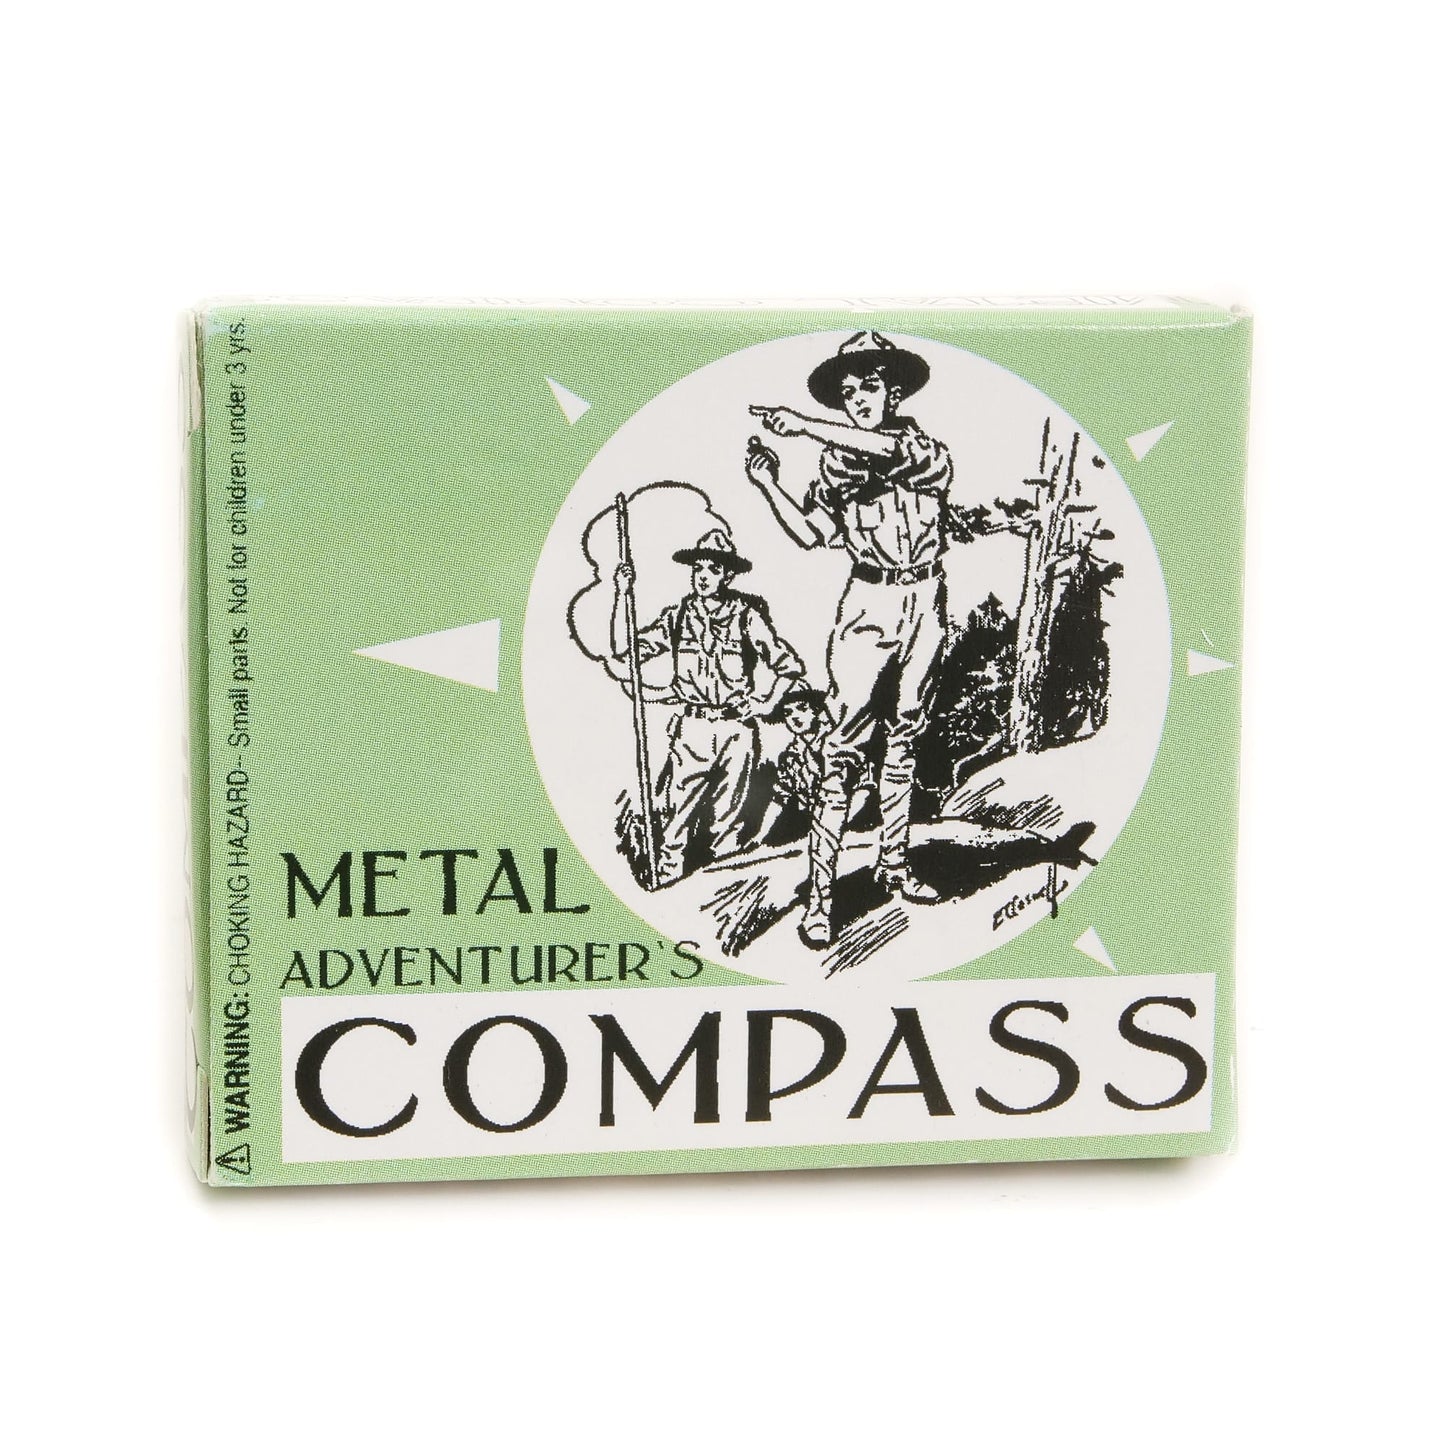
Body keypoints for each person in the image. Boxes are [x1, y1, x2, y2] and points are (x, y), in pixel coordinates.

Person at [744, 332, 953, 946]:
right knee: (843, 749)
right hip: (868, 604)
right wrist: (769, 484)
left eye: (869, 386)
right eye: (847, 392)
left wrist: (804, 426)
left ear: (895, 393)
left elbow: (888, 450)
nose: (857, 399)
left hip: (926, 599)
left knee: (905, 737)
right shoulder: (836, 464)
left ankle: (894, 864)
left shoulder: (924, 449)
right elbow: (813, 534)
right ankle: (821, 899)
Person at [613, 528, 803, 886]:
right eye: (697, 568)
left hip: (737, 730)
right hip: (693, 730)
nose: (702, 576)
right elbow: (626, 655)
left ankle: (716, 890)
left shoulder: (747, 616)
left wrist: (764, 703)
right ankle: (666, 882)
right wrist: (621, 596)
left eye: (713, 569)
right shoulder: (677, 617)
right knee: (676, 819)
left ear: (727, 575)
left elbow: (789, 666)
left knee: (728, 821)